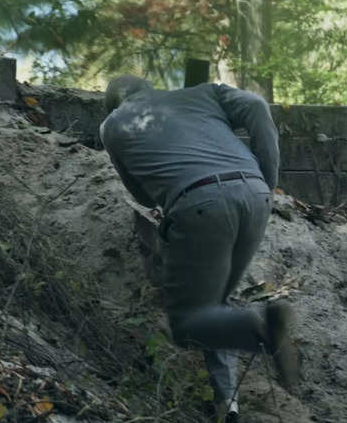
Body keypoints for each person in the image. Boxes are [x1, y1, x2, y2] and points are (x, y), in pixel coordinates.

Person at [99, 75, 298, 422]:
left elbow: (143, 195)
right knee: (213, 307)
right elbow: (256, 105)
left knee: (188, 323)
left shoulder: (113, 125)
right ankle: (227, 407)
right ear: (151, 88)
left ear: (115, 103)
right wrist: (267, 179)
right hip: (255, 195)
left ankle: (262, 329)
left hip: (200, 205)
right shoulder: (204, 93)